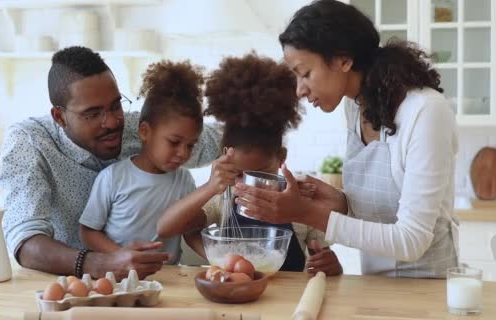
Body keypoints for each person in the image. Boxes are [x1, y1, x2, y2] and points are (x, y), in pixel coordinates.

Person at [234, 0, 459, 278]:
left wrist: (306, 213)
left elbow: (412, 241)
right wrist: (338, 202)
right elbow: (380, 214)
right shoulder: (355, 106)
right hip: (375, 285)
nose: (300, 90)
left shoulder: (425, 111)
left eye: (305, 73)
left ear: (343, 60)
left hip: (426, 291)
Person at [0, 47, 221, 280]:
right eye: (92, 114)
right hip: (69, 284)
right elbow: (26, 243)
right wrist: (105, 262)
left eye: (116, 105)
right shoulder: (29, 142)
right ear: (59, 117)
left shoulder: (141, 128)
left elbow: (220, 141)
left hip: (157, 280)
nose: (113, 122)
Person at [156, 52, 342, 275]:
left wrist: (331, 266)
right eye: (237, 174)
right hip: (235, 293)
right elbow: (167, 228)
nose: (247, 184)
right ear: (225, 159)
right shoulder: (223, 198)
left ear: (281, 158)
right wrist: (218, 259)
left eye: (260, 174)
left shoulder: (298, 201)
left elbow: (326, 261)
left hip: (289, 299)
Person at [79, 60, 205, 266]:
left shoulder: (184, 180)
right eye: (174, 142)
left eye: (191, 145)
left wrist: (219, 260)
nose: (183, 153)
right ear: (145, 131)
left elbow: (190, 231)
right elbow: (88, 232)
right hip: (120, 279)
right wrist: (121, 255)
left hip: (168, 280)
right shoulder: (113, 178)